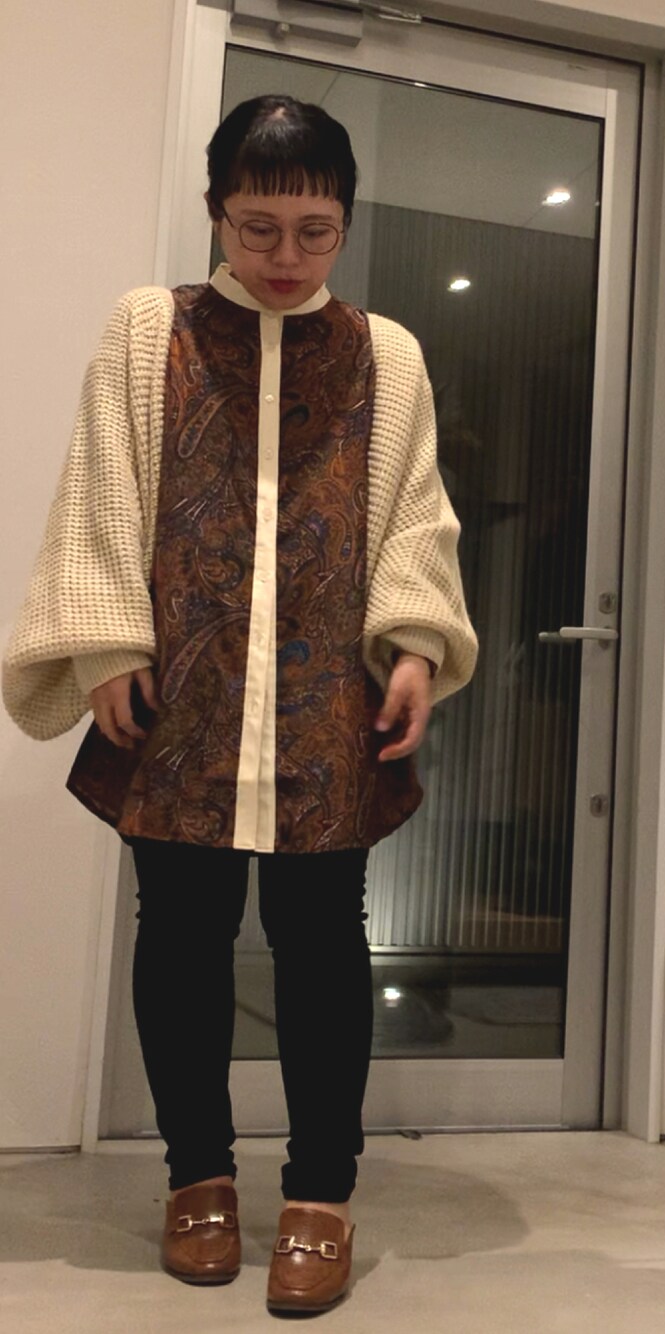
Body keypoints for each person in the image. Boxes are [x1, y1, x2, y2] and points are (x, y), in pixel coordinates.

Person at [2, 94, 477, 1314]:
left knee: (323, 939)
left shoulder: (387, 353)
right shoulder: (147, 328)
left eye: (315, 231)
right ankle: (197, 1178)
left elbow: (415, 513)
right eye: (258, 226)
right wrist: (107, 641)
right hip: (180, 692)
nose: (284, 255)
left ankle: (320, 1195)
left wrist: (416, 642)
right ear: (216, 211)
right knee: (180, 930)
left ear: (345, 222)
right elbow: (103, 486)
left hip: (329, 699)